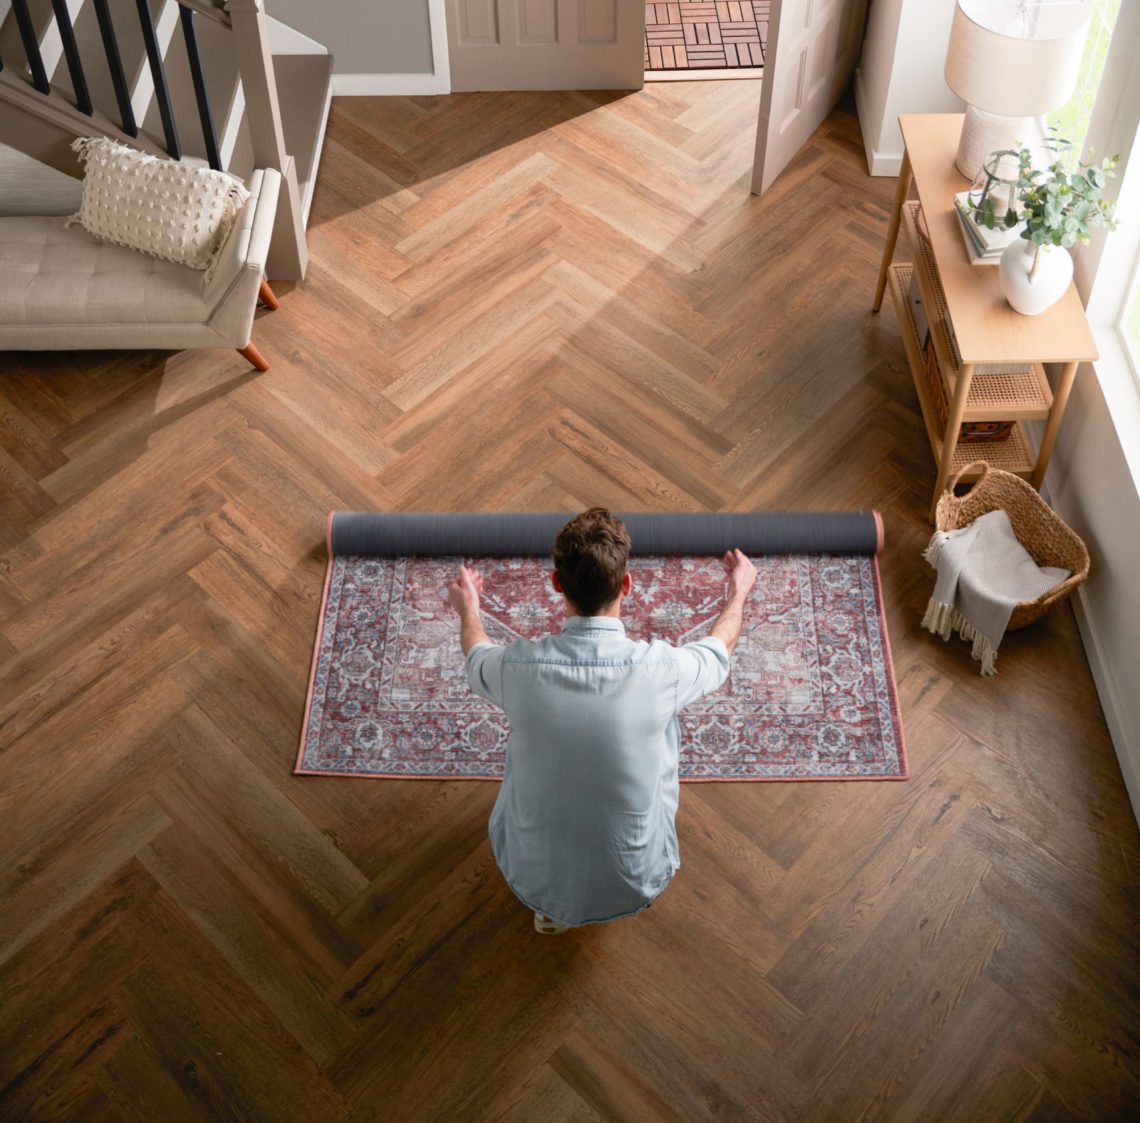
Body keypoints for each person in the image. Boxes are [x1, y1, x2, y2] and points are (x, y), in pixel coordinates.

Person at [446, 508, 757, 934]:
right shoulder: (664, 669)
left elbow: (475, 652)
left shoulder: (514, 668)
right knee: (665, 725)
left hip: (533, 879)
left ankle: (555, 907)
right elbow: (720, 645)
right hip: (637, 881)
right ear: (626, 585)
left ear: (557, 584)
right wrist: (738, 592)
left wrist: (469, 609)